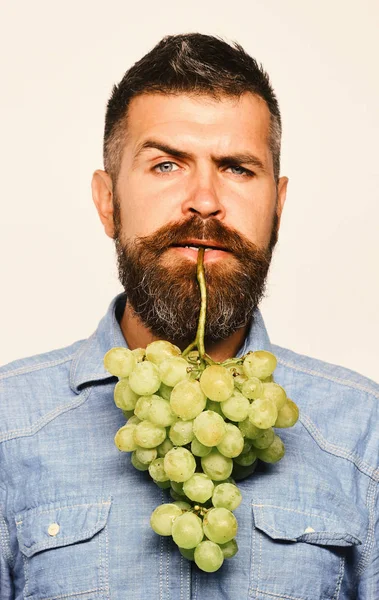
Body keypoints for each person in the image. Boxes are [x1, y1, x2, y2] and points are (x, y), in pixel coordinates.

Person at [0, 33, 378, 599]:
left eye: (237, 168)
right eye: (166, 164)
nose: (204, 200)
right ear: (107, 201)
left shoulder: (364, 432)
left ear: (278, 206)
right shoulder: (8, 426)